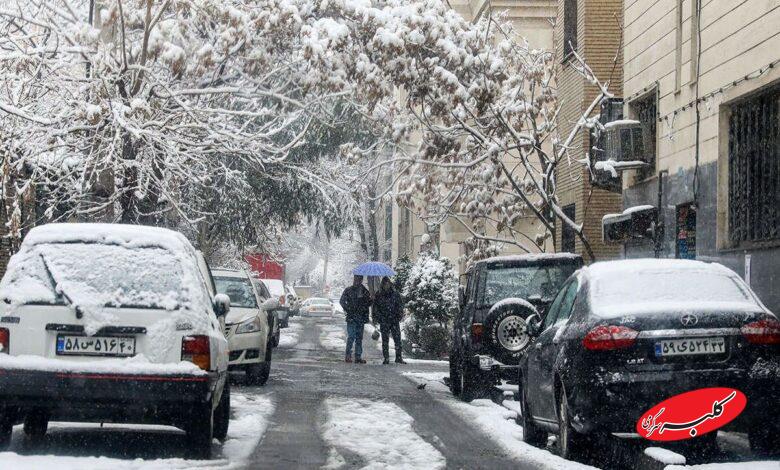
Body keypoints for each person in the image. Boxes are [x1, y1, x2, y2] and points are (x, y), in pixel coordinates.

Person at [372, 276, 406, 365]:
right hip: (384, 320)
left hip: (394, 320)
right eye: (385, 284)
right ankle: (386, 358)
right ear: (382, 285)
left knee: (397, 339)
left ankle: (398, 357)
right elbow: (375, 307)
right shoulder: (379, 294)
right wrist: (377, 318)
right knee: (385, 340)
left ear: (390, 284)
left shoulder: (395, 294)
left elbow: (400, 306)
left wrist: (399, 316)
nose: (386, 285)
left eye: (388, 284)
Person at [339, 275, 372, 364]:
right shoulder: (348, 290)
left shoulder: (364, 291)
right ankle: (348, 355)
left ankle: (358, 356)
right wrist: (349, 309)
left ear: (361, 280)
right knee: (351, 336)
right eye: (356, 279)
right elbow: (342, 301)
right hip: (352, 317)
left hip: (360, 317)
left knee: (359, 338)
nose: (357, 281)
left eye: (359, 279)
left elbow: (368, 303)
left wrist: (371, 299)